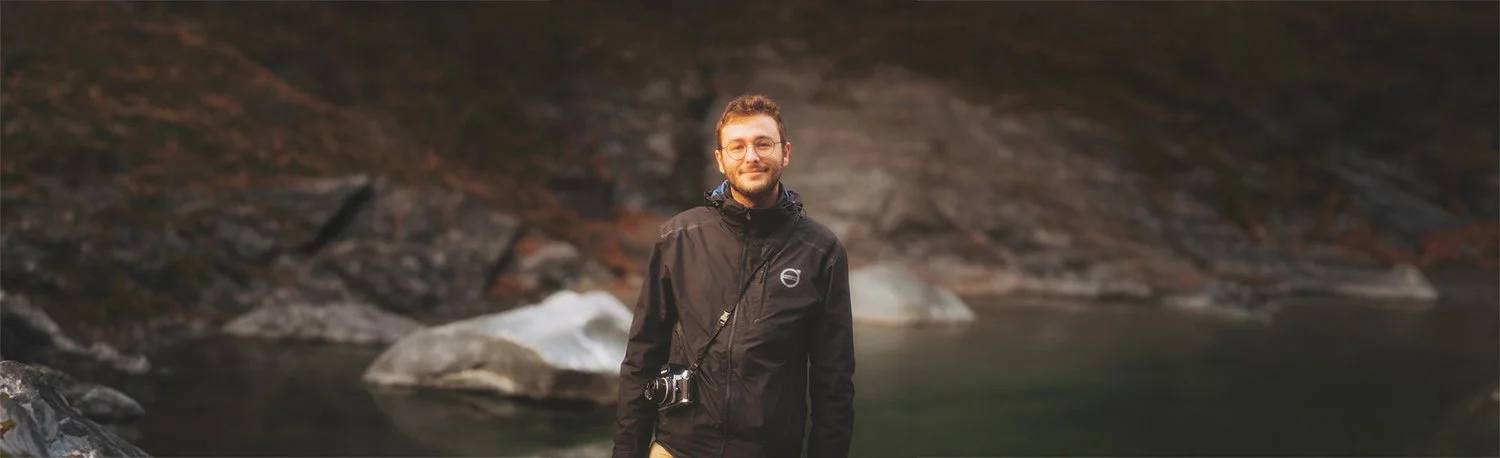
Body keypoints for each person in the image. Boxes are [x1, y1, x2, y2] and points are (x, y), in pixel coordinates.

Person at [612, 94, 855, 458]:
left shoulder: (821, 252)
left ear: (785, 153)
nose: (751, 157)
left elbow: (833, 382)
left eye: (763, 144)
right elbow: (641, 358)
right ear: (721, 161)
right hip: (678, 450)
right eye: (737, 147)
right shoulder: (678, 238)